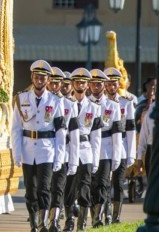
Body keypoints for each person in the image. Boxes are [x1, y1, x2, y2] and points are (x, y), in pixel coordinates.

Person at [12, 60, 66, 232]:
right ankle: (33, 224)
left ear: (48, 80)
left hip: (46, 150)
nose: (39, 80)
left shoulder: (55, 101)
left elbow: (60, 132)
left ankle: (43, 224)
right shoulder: (21, 99)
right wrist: (16, 153)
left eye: (43, 78)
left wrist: (59, 156)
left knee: (44, 188)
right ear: (32, 78)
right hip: (28, 150)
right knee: (30, 190)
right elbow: (16, 129)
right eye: (37, 77)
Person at [62, 68, 101, 232]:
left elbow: (96, 136)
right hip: (68, 149)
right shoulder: (63, 104)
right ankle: (70, 220)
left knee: (85, 188)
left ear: (87, 86)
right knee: (68, 187)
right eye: (77, 82)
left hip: (85, 151)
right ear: (72, 84)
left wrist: (96, 159)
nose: (79, 85)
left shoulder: (94, 108)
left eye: (83, 82)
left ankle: (82, 224)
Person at [87, 69, 121, 228]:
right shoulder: (84, 103)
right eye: (93, 84)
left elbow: (117, 133)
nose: (96, 87)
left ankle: (99, 217)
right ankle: (95, 213)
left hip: (106, 148)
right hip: (88, 149)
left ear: (104, 85)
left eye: (99, 84)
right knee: (91, 185)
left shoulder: (112, 105)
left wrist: (117, 155)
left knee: (102, 183)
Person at [104, 67, 135, 224]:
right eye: (108, 83)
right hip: (104, 147)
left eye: (114, 83)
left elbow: (130, 130)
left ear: (118, 84)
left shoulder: (126, 103)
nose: (111, 86)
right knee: (104, 183)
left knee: (118, 183)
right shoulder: (99, 102)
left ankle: (116, 216)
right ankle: (106, 213)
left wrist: (131, 153)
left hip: (121, 147)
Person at [45, 67, 73, 232]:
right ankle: (46, 217)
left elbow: (73, 134)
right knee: (45, 187)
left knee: (60, 186)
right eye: (52, 82)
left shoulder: (69, 104)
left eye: (58, 83)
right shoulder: (43, 102)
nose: (55, 86)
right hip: (46, 150)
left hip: (64, 150)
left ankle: (56, 220)